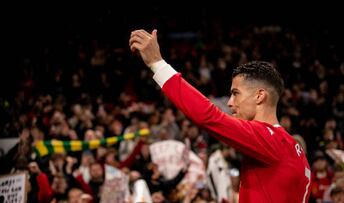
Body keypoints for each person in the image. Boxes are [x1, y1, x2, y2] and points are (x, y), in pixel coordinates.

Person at [129, 29, 312, 202]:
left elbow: (209, 117)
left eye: (236, 93)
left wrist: (157, 64)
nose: (230, 102)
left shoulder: (269, 140)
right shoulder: (296, 151)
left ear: (259, 96)